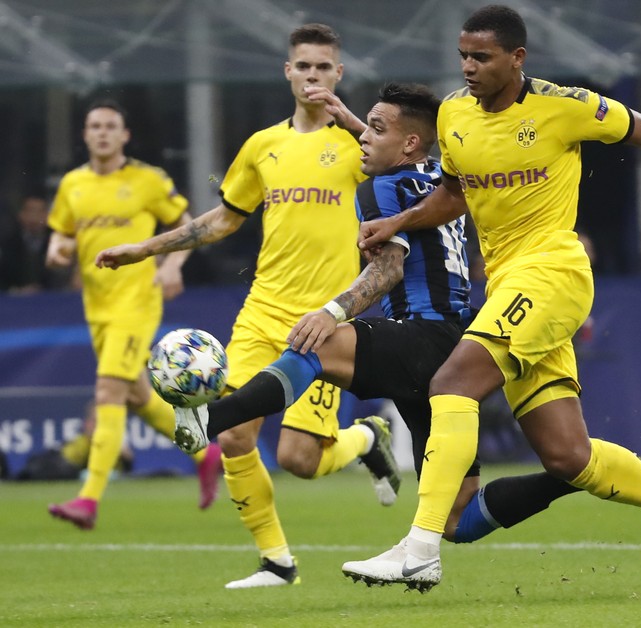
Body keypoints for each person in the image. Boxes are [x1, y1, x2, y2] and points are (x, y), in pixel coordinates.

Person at [346, 4, 641, 592]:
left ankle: (420, 548)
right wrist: (399, 222)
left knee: (452, 383)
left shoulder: (565, 107)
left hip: (553, 273)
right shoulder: (453, 115)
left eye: (482, 57)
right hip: (507, 286)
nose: (469, 67)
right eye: (463, 56)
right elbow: (456, 194)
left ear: (517, 58)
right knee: (568, 457)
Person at [169, 82, 583, 567]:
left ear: (409, 142)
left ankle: (208, 421)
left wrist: (333, 311)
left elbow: (386, 270)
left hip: (424, 337)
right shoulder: (441, 178)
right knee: (458, 519)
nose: (363, 139)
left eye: (376, 129)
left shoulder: (381, 188)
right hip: (457, 344)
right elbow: (399, 144)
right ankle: (570, 475)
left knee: (314, 349)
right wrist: (356, 120)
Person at [95, 24, 401, 589]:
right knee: (233, 433)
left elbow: (404, 172)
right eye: (303, 67)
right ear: (287, 72)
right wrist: (145, 248)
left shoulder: (360, 146)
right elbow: (224, 218)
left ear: (339, 74)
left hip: (326, 321)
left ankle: (365, 440)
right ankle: (277, 562)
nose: (313, 76)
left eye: (323, 68)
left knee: (300, 460)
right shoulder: (263, 146)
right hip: (262, 310)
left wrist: (350, 118)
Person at [45, 99, 223, 530]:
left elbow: (186, 223)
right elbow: (60, 236)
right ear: (85, 134)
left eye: (111, 126)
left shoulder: (147, 180)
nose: (102, 132)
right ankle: (207, 453)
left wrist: (171, 266)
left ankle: (88, 499)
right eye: (95, 126)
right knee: (138, 397)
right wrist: (57, 250)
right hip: (97, 308)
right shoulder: (73, 184)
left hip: (136, 304)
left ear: (124, 135)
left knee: (108, 391)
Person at [0, 195, 73, 293]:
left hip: (52, 298)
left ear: (48, 215)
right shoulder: (8, 242)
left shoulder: (57, 241)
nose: (34, 217)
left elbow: (62, 275)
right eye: (30, 211)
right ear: (21, 214)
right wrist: (16, 290)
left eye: (40, 211)